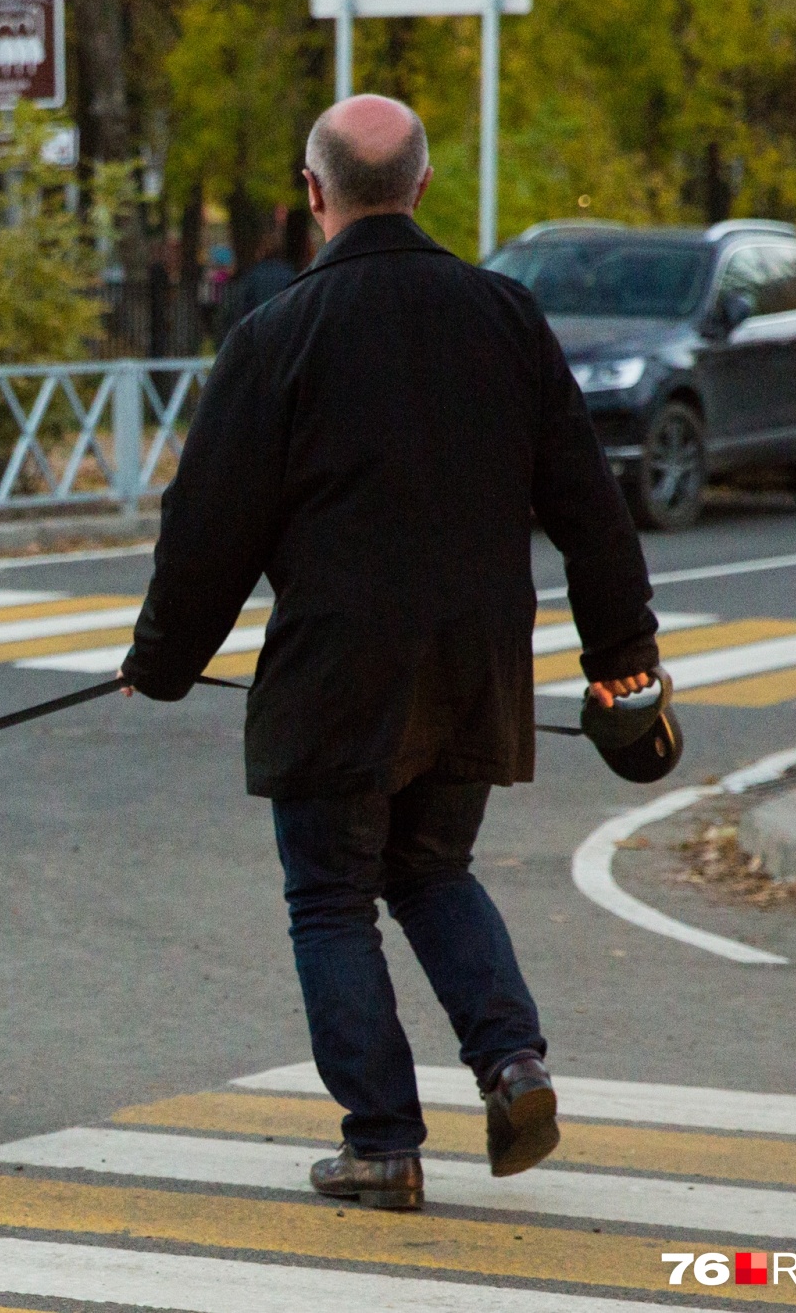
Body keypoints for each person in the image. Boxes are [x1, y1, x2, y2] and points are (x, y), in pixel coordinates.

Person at [118, 95, 660, 1210]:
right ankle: (511, 1062)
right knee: (429, 868)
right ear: (418, 189)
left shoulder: (274, 336)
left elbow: (208, 524)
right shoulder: (504, 315)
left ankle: (381, 1141)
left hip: (333, 675)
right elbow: (589, 507)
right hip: (472, 670)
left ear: (313, 196)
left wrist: (163, 658)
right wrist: (624, 658)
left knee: (329, 896)